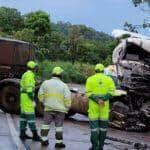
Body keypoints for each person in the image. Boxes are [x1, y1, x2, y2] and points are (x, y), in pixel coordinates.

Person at [38, 66, 71, 148]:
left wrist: (43, 102)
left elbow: (40, 95)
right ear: (61, 75)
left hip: (48, 108)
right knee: (59, 127)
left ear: (52, 74)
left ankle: (44, 139)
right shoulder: (64, 85)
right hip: (60, 109)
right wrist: (67, 107)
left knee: (45, 124)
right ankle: (58, 142)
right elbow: (67, 98)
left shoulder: (45, 83)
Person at [85, 63, 116, 150]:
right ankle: (100, 147)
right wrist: (104, 98)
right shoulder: (109, 79)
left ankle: (95, 147)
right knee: (103, 129)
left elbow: (88, 93)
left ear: (95, 70)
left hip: (93, 108)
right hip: (104, 108)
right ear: (103, 71)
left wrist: (97, 99)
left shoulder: (90, 79)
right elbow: (112, 92)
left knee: (94, 129)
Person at [19, 60, 41, 141]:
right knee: (31, 117)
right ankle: (35, 135)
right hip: (27, 98)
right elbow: (29, 90)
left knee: (23, 117)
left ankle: (22, 134)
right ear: (33, 68)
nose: (36, 69)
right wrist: (32, 100)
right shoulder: (29, 75)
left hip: (23, 97)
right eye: (35, 67)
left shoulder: (25, 74)